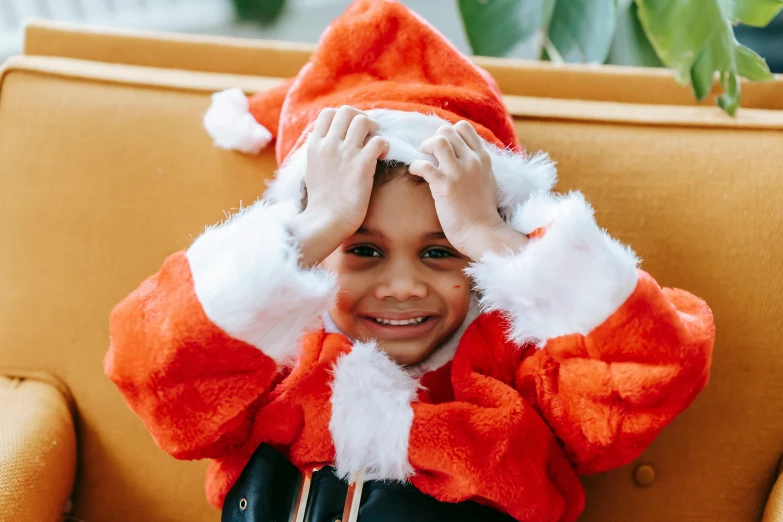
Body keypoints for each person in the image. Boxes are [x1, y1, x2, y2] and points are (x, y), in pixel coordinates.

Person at [104, 1, 715, 521]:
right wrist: (312, 228)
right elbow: (156, 371)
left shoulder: (517, 359)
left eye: (439, 251)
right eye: (362, 249)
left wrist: (492, 235)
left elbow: (649, 370)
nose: (402, 286)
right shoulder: (269, 362)